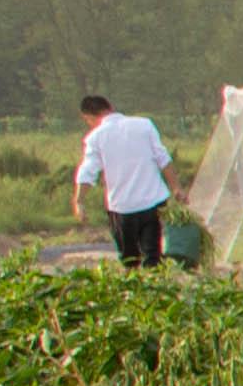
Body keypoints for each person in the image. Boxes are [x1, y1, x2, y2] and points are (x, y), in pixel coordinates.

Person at [71, 92, 174, 270]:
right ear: (110, 107)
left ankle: (134, 291)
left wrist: (79, 201)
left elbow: (88, 171)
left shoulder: (96, 137)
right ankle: (156, 288)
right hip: (153, 201)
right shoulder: (144, 125)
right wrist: (177, 188)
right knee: (153, 255)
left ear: (88, 117)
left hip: (122, 207)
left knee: (129, 259)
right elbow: (163, 158)